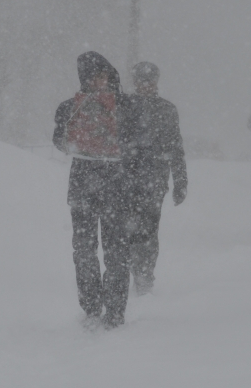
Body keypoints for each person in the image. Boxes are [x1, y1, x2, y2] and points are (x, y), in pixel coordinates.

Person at [53, 52, 132, 330]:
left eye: (104, 76)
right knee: (89, 249)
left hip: (101, 181)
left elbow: (60, 143)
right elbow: (59, 141)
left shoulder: (120, 105)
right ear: (85, 79)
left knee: (112, 249)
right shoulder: (73, 106)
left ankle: (113, 310)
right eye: (96, 77)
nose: (101, 81)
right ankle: (93, 308)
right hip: (99, 181)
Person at [125, 61, 187, 296]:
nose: (145, 85)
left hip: (155, 181)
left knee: (149, 230)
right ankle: (131, 271)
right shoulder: (125, 107)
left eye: (149, 80)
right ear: (135, 81)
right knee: (128, 230)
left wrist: (180, 182)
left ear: (156, 82)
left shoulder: (167, 110)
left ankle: (144, 275)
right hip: (126, 180)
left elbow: (176, 147)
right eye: (141, 80)